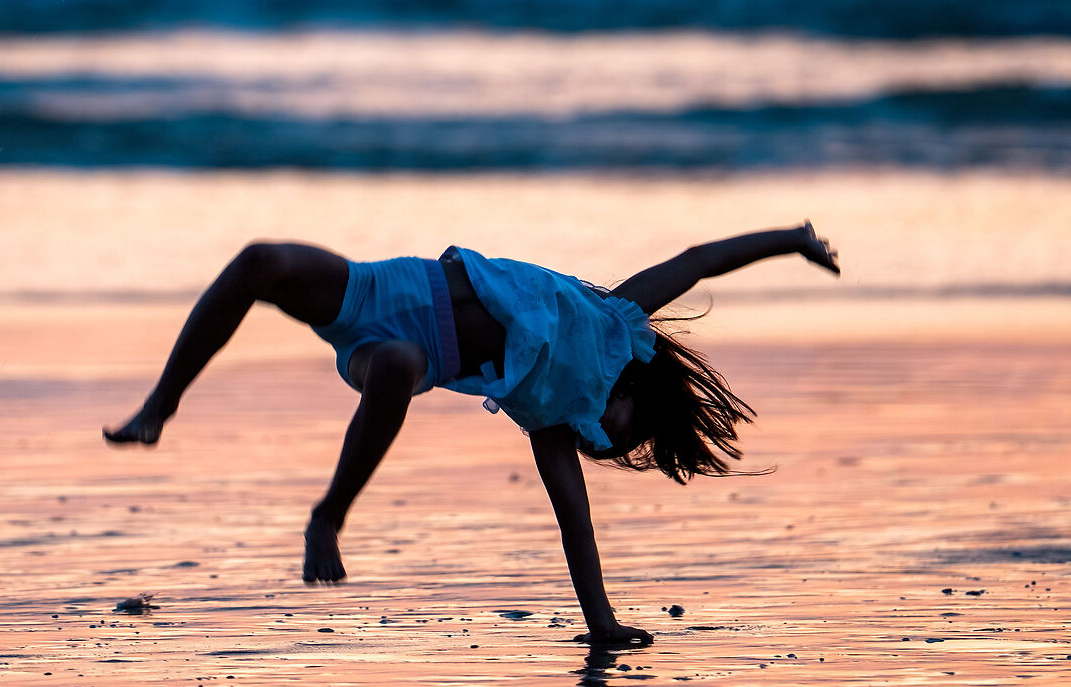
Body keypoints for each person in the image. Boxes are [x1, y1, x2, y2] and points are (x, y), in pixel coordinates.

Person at [105, 224, 841, 646]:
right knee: (260, 262)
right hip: (383, 287)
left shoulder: (550, 419)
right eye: (627, 435)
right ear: (644, 398)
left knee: (393, 366)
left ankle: (328, 515)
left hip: (407, 354)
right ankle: (160, 406)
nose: (609, 444)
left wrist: (604, 624)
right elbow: (696, 261)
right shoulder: (617, 318)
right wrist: (791, 239)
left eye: (610, 451)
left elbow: (575, 529)